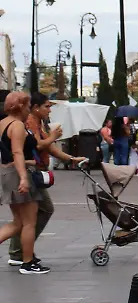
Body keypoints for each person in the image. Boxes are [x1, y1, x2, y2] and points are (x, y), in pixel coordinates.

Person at [7, 93, 88, 270]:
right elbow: (34, 146)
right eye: (47, 106)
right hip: (27, 172)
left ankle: (22, 252)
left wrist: (70, 159)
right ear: (34, 107)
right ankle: (21, 254)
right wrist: (52, 136)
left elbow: (49, 148)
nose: (49, 110)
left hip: (28, 172)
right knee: (29, 218)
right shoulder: (27, 122)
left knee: (24, 219)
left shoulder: (36, 122)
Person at [0, 93, 49, 275]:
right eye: (28, 105)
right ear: (20, 106)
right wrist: (23, 177)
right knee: (29, 222)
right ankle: (28, 263)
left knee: (18, 222)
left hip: (6, 173)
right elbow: (17, 152)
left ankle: (28, 260)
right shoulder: (17, 125)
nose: (29, 109)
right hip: (17, 174)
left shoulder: (2, 123)